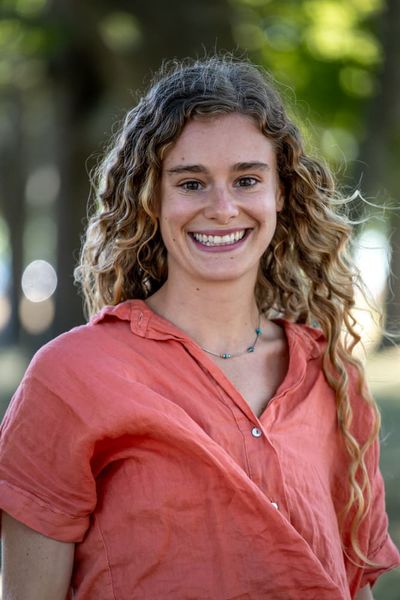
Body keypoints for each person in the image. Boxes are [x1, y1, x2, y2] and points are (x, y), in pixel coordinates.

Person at [0, 56, 399, 600]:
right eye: (191, 183)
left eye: (247, 179)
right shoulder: (72, 376)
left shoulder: (330, 376)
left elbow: (352, 587)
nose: (223, 208)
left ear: (280, 193)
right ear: (151, 198)